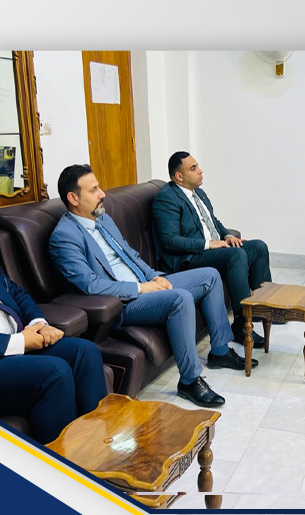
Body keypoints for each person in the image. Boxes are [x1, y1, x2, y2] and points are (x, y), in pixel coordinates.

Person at [49, 164, 257, 408]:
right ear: (73, 198)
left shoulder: (102, 218)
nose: (102, 194)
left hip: (143, 283)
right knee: (179, 299)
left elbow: (130, 254)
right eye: (93, 190)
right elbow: (91, 285)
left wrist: (155, 276)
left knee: (209, 276)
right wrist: (141, 288)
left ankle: (220, 351)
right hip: (122, 301)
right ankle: (190, 380)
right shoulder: (64, 237)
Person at [152, 151, 271, 347]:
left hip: (212, 250)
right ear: (179, 176)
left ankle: (261, 310)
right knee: (236, 255)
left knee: (258, 247)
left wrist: (227, 236)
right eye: (193, 168)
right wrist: (208, 244)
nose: (200, 171)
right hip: (189, 258)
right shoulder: (166, 198)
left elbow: (213, 221)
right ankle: (242, 324)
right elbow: (169, 240)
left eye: (197, 166)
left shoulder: (198, 193)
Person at [0, 253, 107, 444]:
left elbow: (14, 291)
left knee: (85, 352)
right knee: (55, 372)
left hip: (15, 339)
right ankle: (65, 459)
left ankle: (98, 444)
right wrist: (21, 342)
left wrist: (39, 323)